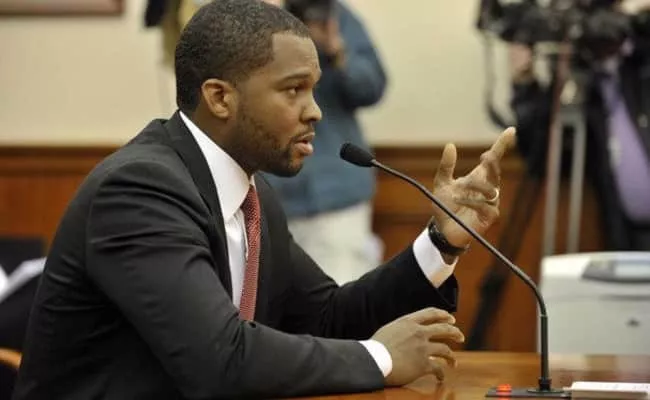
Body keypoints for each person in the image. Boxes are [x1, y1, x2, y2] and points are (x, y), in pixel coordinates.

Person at [13, 1, 515, 399]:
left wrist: (441, 242)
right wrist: (380, 358)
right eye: (293, 90)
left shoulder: (253, 198)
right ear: (220, 97)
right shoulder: (140, 191)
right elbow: (217, 358)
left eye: (314, 90)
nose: (315, 111)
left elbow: (327, 318)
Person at [261, 0, 388, 284]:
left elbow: (372, 87)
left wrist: (336, 52)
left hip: (334, 197)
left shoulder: (327, 11)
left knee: (341, 299)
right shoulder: (237, 17)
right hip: (266, 201)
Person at [508, 1, 650, 250]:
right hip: (626, 242)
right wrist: (524, 83)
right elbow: (542, 155)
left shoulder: (640, 61)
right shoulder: (582, 84)